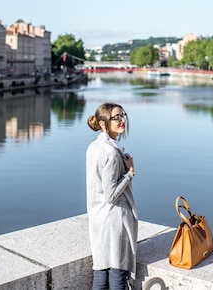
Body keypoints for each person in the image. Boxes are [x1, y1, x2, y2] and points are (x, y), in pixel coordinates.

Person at [86, 102, 138, 290]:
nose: (121, 120)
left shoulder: (94, 147)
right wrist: (130, 173)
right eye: (116, 118)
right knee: (117, 274)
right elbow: (111, 195)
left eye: (122, 115)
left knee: (100, 274)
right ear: (102, 123)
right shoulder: (112, 154)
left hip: (98, 218)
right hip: (114, 220)